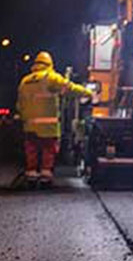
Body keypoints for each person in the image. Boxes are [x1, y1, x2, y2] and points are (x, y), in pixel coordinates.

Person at [16, 51, 93, 188]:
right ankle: (45, 177)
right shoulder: (50, 77)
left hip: (29, 125)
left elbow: (19, 104)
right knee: (48, 150)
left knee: (31, 150)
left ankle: (31, 177)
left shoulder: (25, 80)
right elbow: (69, 88)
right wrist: (88, 92)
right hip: (48, 126)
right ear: (49, 64)